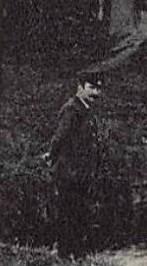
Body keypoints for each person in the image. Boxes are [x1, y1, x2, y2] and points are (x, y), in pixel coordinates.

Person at [42, 80, 103, 256]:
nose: (96, 92)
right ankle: (66, 252)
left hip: (81, 171)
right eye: (91, 87)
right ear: (80, 88)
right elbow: (60, 137)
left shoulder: (85, 110)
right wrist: (51, 156)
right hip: (70, 171)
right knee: (69, 210)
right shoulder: (72, 109)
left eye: (98, 88)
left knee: (79, 211)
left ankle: (76, 252)